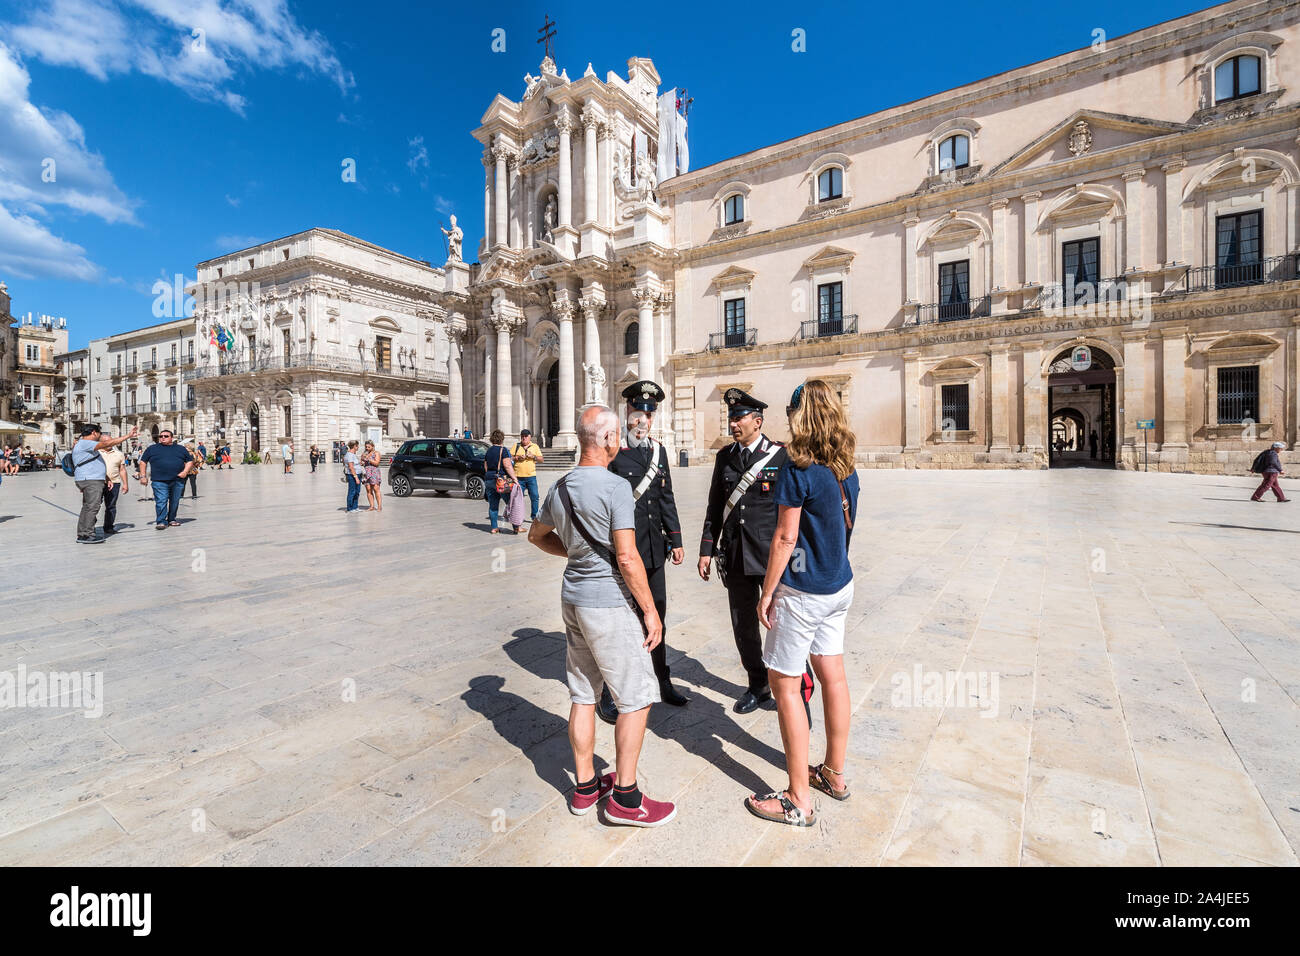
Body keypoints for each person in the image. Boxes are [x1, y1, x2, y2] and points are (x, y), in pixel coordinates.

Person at [527, 405, 676, 826]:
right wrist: (650, 611)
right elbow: (627, 559)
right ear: (609, 440)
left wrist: (573, 554)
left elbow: (536, 535)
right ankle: (626, 799)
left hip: (572, 598)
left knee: (583, 695)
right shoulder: (614, 487)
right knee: (637, 697)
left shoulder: (559, 487)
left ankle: (585, 787)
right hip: (608, 602)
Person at [745, 381, 859, 828]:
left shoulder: (798, 466)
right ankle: (833, 773)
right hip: (838, 585)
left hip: (803, 592)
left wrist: (769, 591)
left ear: (799, 414)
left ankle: (797, 798)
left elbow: (786, 537)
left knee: (786, 685)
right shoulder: (845, 464)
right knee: (833, 674)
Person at [699, 388, 814, 715]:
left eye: (739, 418)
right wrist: (707, 548)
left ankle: (796, 683)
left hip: (771, 558)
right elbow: (715, 505)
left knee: (783, 623)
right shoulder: (725, 456)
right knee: (743, 625)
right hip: (735, 555)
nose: (733, 424)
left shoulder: (781, 455)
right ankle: (758, 685)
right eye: (731, 418)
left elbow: (795, 511)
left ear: (757, 421)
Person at [596, 380, 688, 724]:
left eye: (649, 414)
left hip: (653, 550)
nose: (643, 420)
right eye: (638, 413)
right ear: (626, 412)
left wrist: (676, 540)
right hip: (623, 551)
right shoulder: (612, 451)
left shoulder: (659, 451)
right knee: (623, 621)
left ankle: (662, 680)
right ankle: (609, 690)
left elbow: (665, 497)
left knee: (657, 615)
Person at [71, 424, 137, 544]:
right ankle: (87, 535)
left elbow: (94, 463)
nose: (100, 436)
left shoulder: (82, 444)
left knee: (87, 507)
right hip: (91, 479)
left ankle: (83, 533)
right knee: (92, 507)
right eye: (99, 433)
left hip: (89, 478)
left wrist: (106, 478)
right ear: (94, 433)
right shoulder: (86, 443)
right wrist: (128, 435)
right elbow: (107, 444)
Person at [137, 429, 195, 530]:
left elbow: (190, 461)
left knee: (175, 501)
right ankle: (161, 521)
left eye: (166, 436)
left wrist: (185, 472)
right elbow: (143, 462)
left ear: (171, 438)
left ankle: (171, 519)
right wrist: (143, 476)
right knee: (161, 501)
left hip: (177, 480)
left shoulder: (180, 449)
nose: (163, 438)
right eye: (161, 436)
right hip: (159, 481)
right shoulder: (152, 449)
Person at [484, 429, 520, 533]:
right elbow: (508, 466)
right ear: (502, 439)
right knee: (511, 504)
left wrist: (490, 475)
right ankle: (516, 527)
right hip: (501, 481)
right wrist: (515, 479)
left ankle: (494, 528)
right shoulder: (503, 450)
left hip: (489, 479)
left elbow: (485, 466)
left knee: (493, 505)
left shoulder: (488, 450)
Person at [512, 428, 544, 523]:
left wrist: (533, 456)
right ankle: (518, 517)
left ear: (530, 437)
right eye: (522, 436)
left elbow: (541, 460)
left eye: (526, 436)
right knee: (517, 499)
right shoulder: (516, 446)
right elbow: (510, 458)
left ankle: (534, 517)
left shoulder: (535, 446)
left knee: (535, 497)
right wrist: (517, 457)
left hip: (531, 477)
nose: (524, 438)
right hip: (518, 478)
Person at [101, 437, 129, 536]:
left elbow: (122, 470)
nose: (109, 443)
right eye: (105, 441)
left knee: (111, 506)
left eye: (110, 441)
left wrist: (125, 484)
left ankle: (108, 527)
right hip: (98, 483)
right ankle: (90, 526)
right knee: (93, 506)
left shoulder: (119, 454)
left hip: (115, 482)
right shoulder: (96, 453)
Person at [361, 440, 382, 511]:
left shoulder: (377, 453)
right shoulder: (365, 453)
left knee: (376, 489)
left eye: (368, 447)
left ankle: (379, 506)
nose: (367, 448)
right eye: (366, 447)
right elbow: (362, 462)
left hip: (374, 472)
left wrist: (369, 459)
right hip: (367, 472)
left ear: (373, 446)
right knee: (368, 490)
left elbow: (377, 463)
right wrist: (362, 461)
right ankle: (371, 506)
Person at [344, 440, 362, 513]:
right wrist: (356, 477)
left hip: (357, 474)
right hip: (353, 475)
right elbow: (351, 467)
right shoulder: (349, 455)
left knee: (357, 491)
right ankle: (350, 508)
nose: (358, 447)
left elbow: (354, 464)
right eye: (357, 446)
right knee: (352, 491)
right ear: (354, 446)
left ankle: (355, 506)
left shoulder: (353, 454)